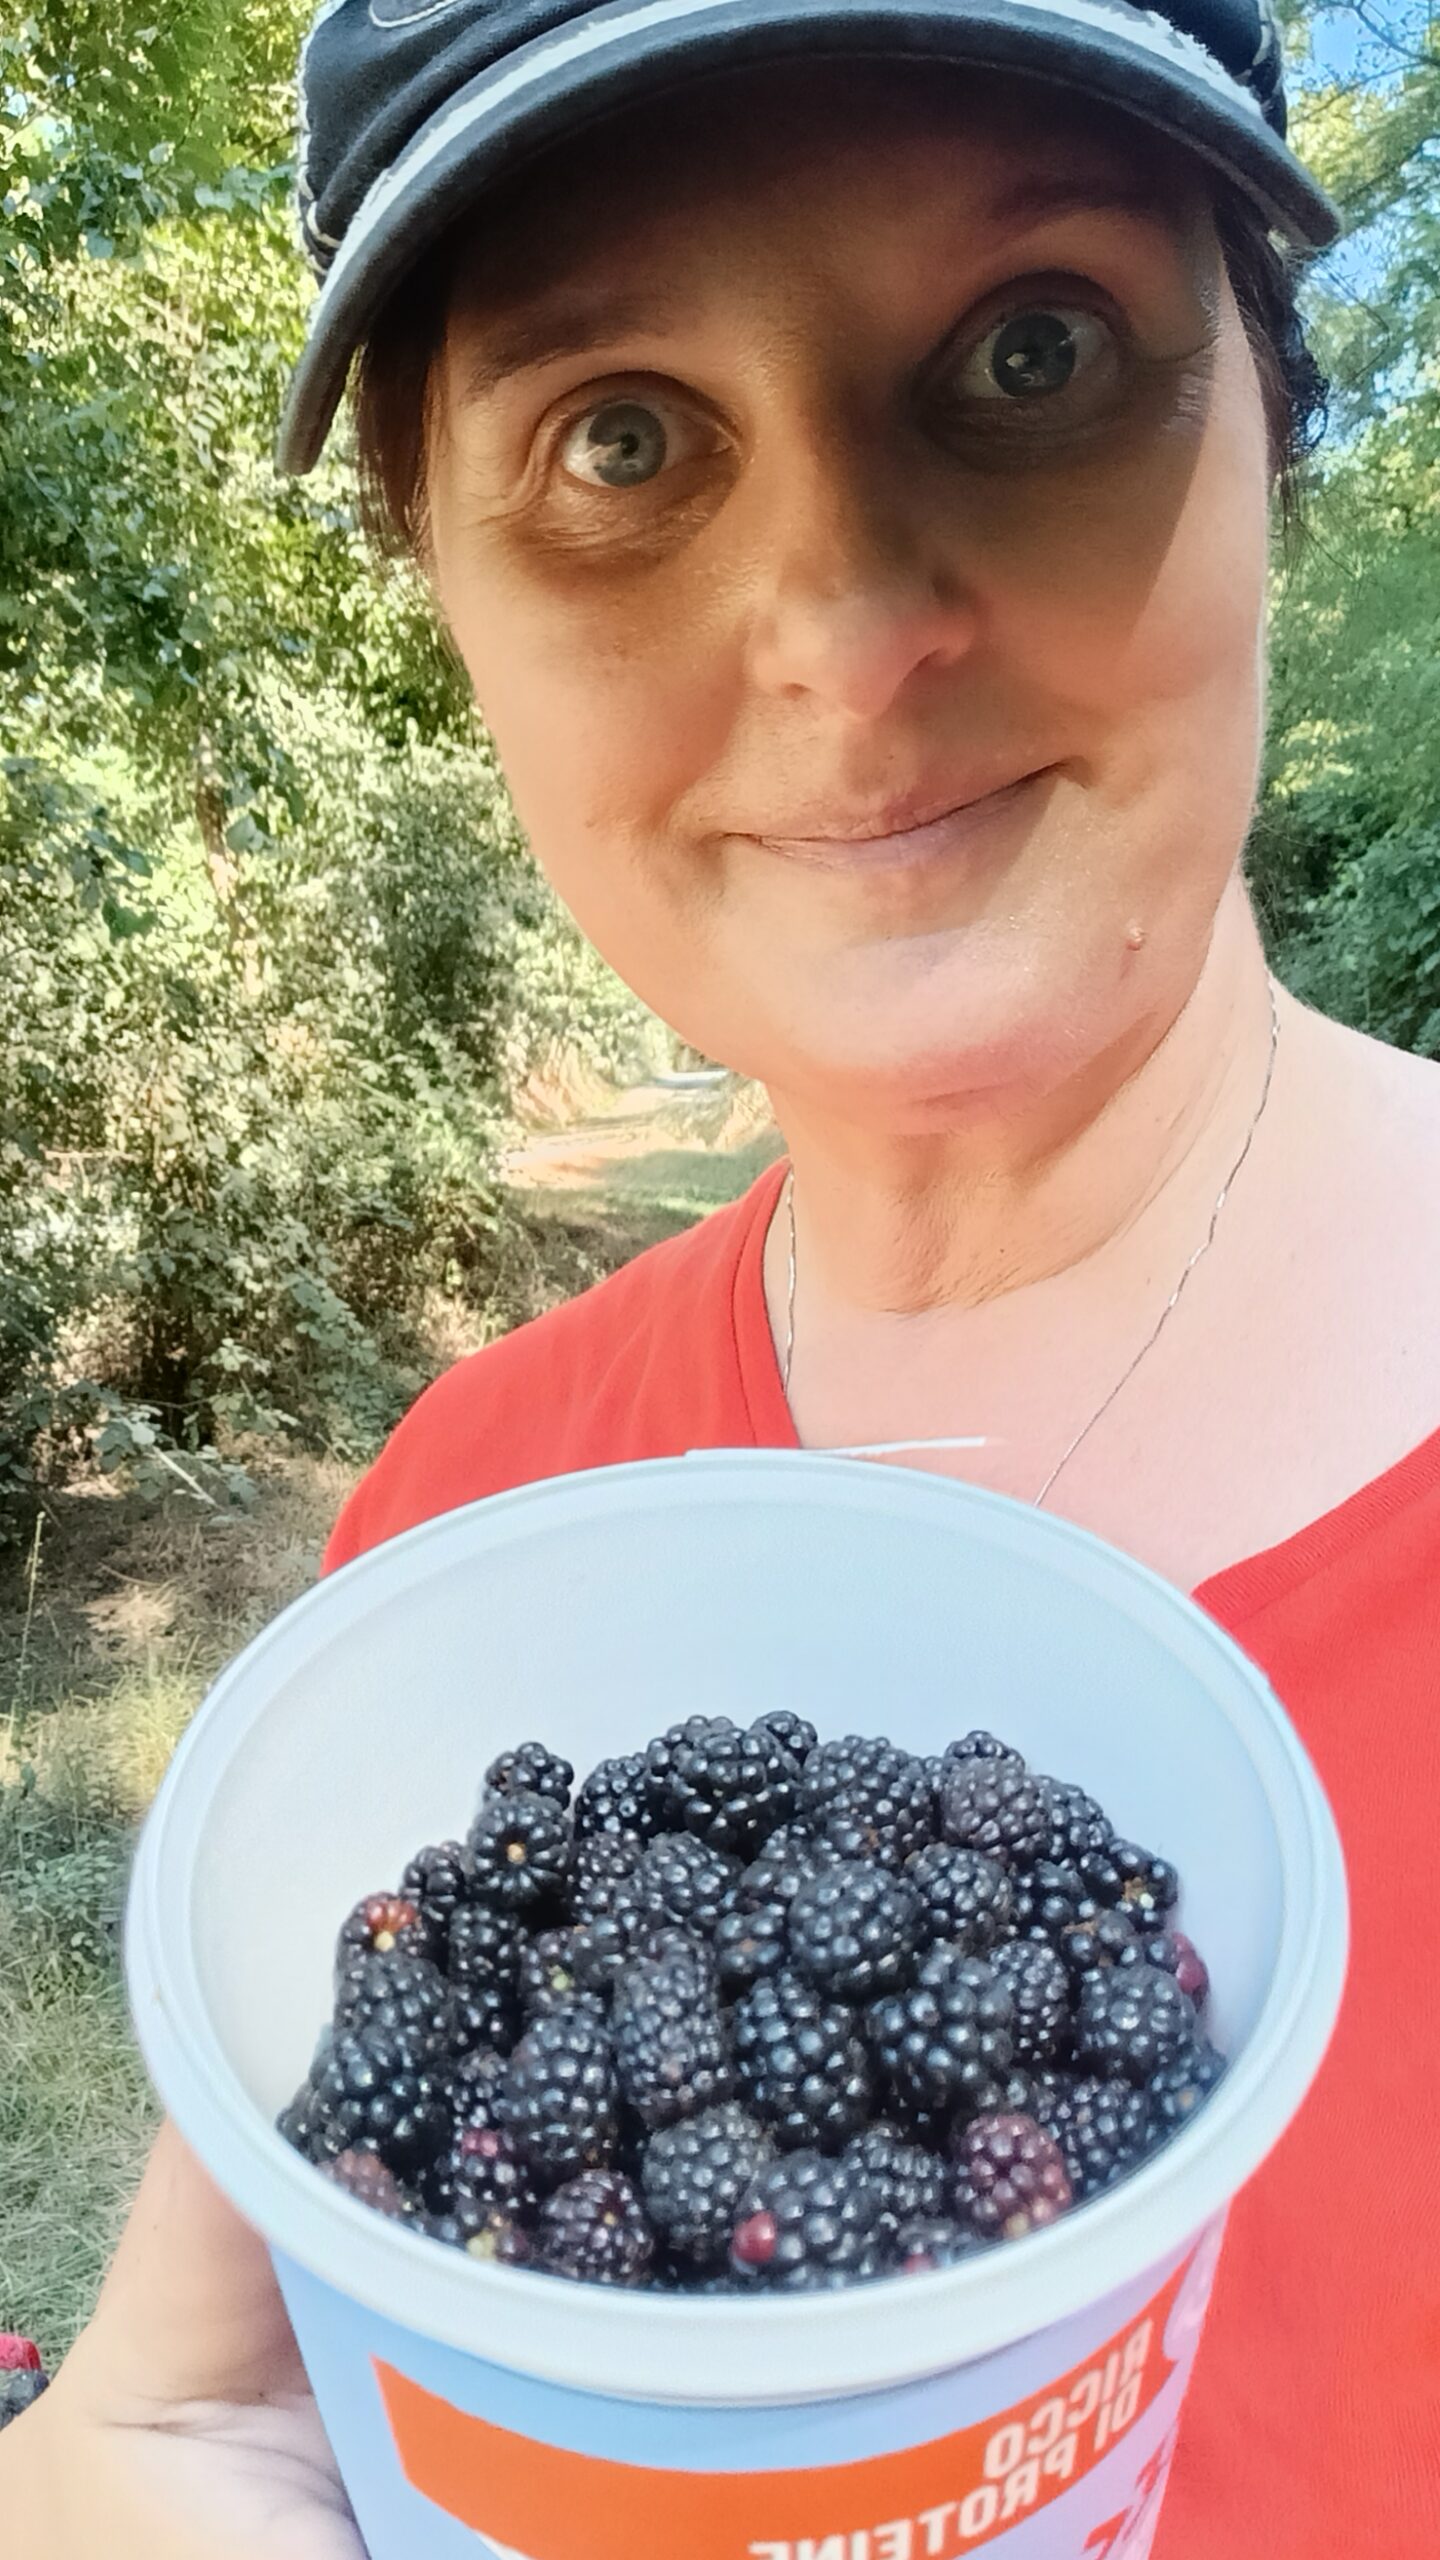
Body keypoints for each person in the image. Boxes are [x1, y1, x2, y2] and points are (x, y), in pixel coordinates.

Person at [8, 0, 1440, 2552]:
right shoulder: (464, 1531)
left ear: (1277, 434)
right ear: (444, 597)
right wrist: (139, 2474)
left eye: (1036, 349)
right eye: (623, 442)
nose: (843, 624)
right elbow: (217, 2410)